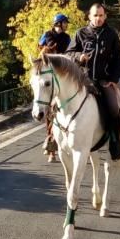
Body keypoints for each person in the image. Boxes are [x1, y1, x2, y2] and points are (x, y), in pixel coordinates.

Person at [65, 3, 120, 160]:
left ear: (105, 16)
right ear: (89, 17)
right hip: (81, 79)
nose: (98, 18)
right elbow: (68, 53)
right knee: (57, 102)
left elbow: (119, 58)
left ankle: (115, 142)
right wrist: (79, 57)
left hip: (102, 80)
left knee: (114, 109)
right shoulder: (81, 33)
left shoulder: (111, 34)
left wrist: (113, 79)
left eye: (101, 15)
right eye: (95, 15)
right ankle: (53, 137)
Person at [37, 13, 70, 157]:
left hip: (63, 73)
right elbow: (40, 48)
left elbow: (70, 53)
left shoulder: (67, 38)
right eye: (65, 22)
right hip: (50, 73)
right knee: (49, 108)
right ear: (59, 23)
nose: (66, 25)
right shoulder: (47, 34)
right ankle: (50, 138)